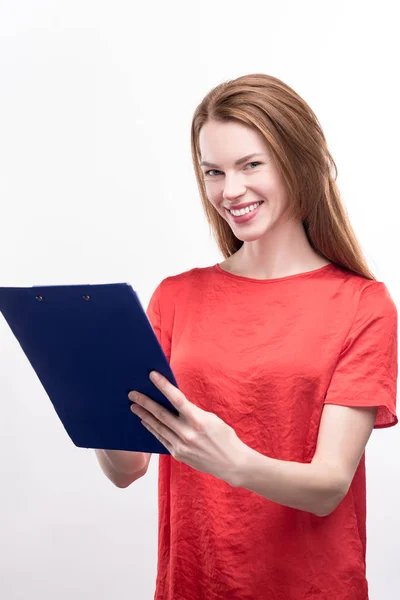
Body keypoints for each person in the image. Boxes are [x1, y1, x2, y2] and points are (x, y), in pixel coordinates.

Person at [95, 74, 398, 599]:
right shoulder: (176, 296)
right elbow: (128, 468)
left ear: (300, 163)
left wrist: (232, 461)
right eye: (213, 171)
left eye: (251, 165)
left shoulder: (361, 305)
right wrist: (88, 388)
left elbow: (328, 486)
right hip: (192, 585)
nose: (229, 190)